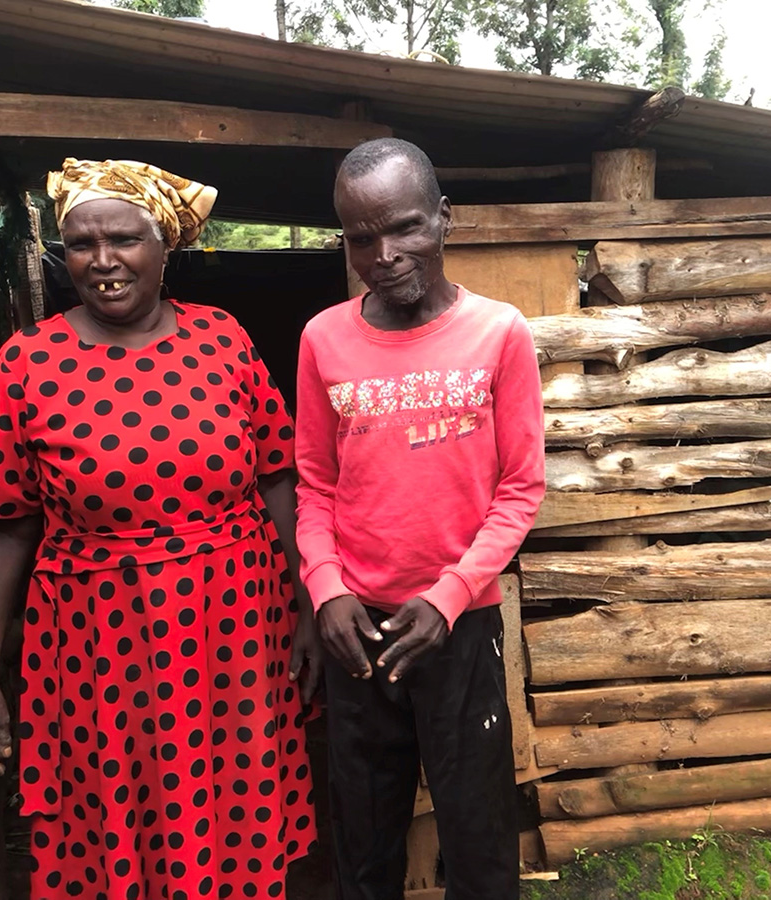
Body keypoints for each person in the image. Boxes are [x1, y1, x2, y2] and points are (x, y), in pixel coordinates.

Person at [0, 158, 319, 900]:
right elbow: (5, 522)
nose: (102, 262)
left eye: (123, 239)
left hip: (235, 625)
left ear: (165, 247)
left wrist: (309, 607)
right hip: (99, 639)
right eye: (82, 244)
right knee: (116, 811)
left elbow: (279, 475)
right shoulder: (28, 362)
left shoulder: (222, 339)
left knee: (230, 804)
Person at [294, 138, 546, 900]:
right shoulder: (323, 339)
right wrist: (328, 589)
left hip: (458, 631)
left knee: (479, 843)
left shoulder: (499, 333)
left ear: (443, 218)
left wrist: (449, 596)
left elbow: (521, 489)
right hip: (358, 636)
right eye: (359, 237)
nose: (384, 254)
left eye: (403, 227)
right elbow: (314, 485)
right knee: (364, 845)